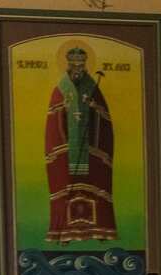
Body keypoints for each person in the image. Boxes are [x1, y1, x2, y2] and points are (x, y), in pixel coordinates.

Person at [45, 45, 117, 243]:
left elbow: (105, 121)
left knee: (94, 184)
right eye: (73, 63)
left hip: (90, 151)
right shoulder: (60, 89)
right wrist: (65, 110)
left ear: (85, 64)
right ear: (67, 64)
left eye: (80, 63)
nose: (77, 67)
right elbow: (53, 124)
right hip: (67, 152)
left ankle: (100, 230)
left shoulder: (94, 88)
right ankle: (64, 233)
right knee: (67, 187)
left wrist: (93, 109)